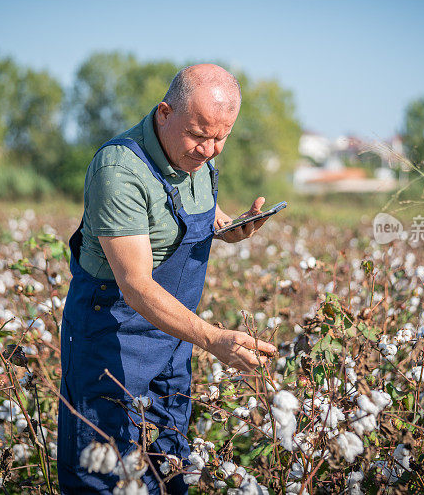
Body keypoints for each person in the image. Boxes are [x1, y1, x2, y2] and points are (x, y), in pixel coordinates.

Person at [57, 64, 277, 494]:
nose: (210, 149)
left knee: (166, 468)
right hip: (112, 340)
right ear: (164, 112)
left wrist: (229, 227)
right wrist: (213, 338)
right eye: (200, 134)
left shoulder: (199, 160)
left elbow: (191, 216)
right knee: (104, 474)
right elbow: (136, 285)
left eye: (222, 137)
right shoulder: (119, 170)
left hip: (173, 343)